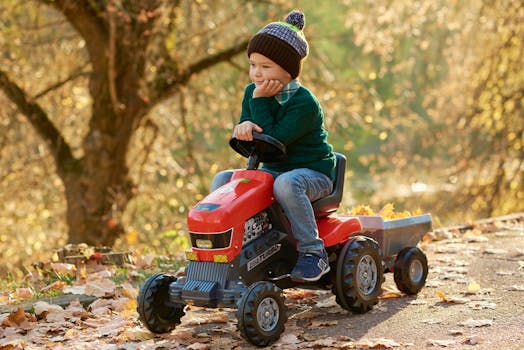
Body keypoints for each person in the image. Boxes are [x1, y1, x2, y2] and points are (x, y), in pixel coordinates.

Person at [213, 10, 336, 282]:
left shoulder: (304, 103)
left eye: (265, 67)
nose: (256, 73)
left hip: (312, 173)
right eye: (253, 64)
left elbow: (275, 137)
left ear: (288, 70)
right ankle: (226, 252)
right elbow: (252, 128)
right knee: (224, 180)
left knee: (287, 184)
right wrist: (242, 128)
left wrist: (259, 101)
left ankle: (313, 253)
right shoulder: (252, 92)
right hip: (273, 170)